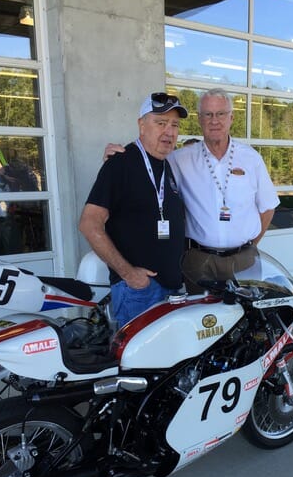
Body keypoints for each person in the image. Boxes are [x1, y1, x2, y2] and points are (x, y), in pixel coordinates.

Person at [104, 88, 279, 292]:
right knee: (200, 313)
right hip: (199, 261)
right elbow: (148, 161)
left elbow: (268, 208)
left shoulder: (251, 158)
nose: (214, 121)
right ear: (199, 119)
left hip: (244, 261)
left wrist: (250, 246)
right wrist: (119, 157)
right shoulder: (179, 159)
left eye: (221, 114)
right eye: (208, 114)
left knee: (246, 311)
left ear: (231, 118)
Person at [79, 92, 188, 327]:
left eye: (174, 125)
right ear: (141, 125)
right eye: (161, 123)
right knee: (138, 352)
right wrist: (129, 274)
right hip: (140, 292)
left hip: (170, 289)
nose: (169, 132)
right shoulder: (121, 163)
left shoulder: (167, 165)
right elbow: (89, 224)